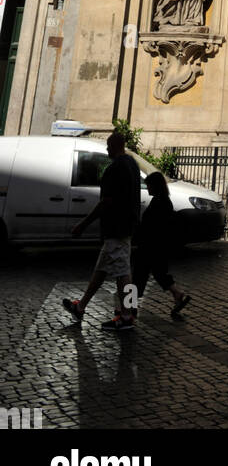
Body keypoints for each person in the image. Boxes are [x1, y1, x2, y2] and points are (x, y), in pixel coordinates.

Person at [63, 131, 141, 331]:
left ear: (115, 146)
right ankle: (80, 307)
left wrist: (83, 224)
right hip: (126, 227)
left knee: (124, 273)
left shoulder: (115, 169)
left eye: (108, 146)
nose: (106, 150)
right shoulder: (132, 164)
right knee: (102, 269)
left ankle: (126, 316)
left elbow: (106, 202)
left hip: (116, 228)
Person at [131, 173, 191, 319]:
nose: (147, 188)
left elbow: (151, 226)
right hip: (157, 246)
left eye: (149, 185)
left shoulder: (159, 203)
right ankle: (177, 293)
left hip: (150, 246)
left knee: (138, 277)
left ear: (155, 185)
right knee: (158, 273)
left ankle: (130, 308)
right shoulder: (162, 201)